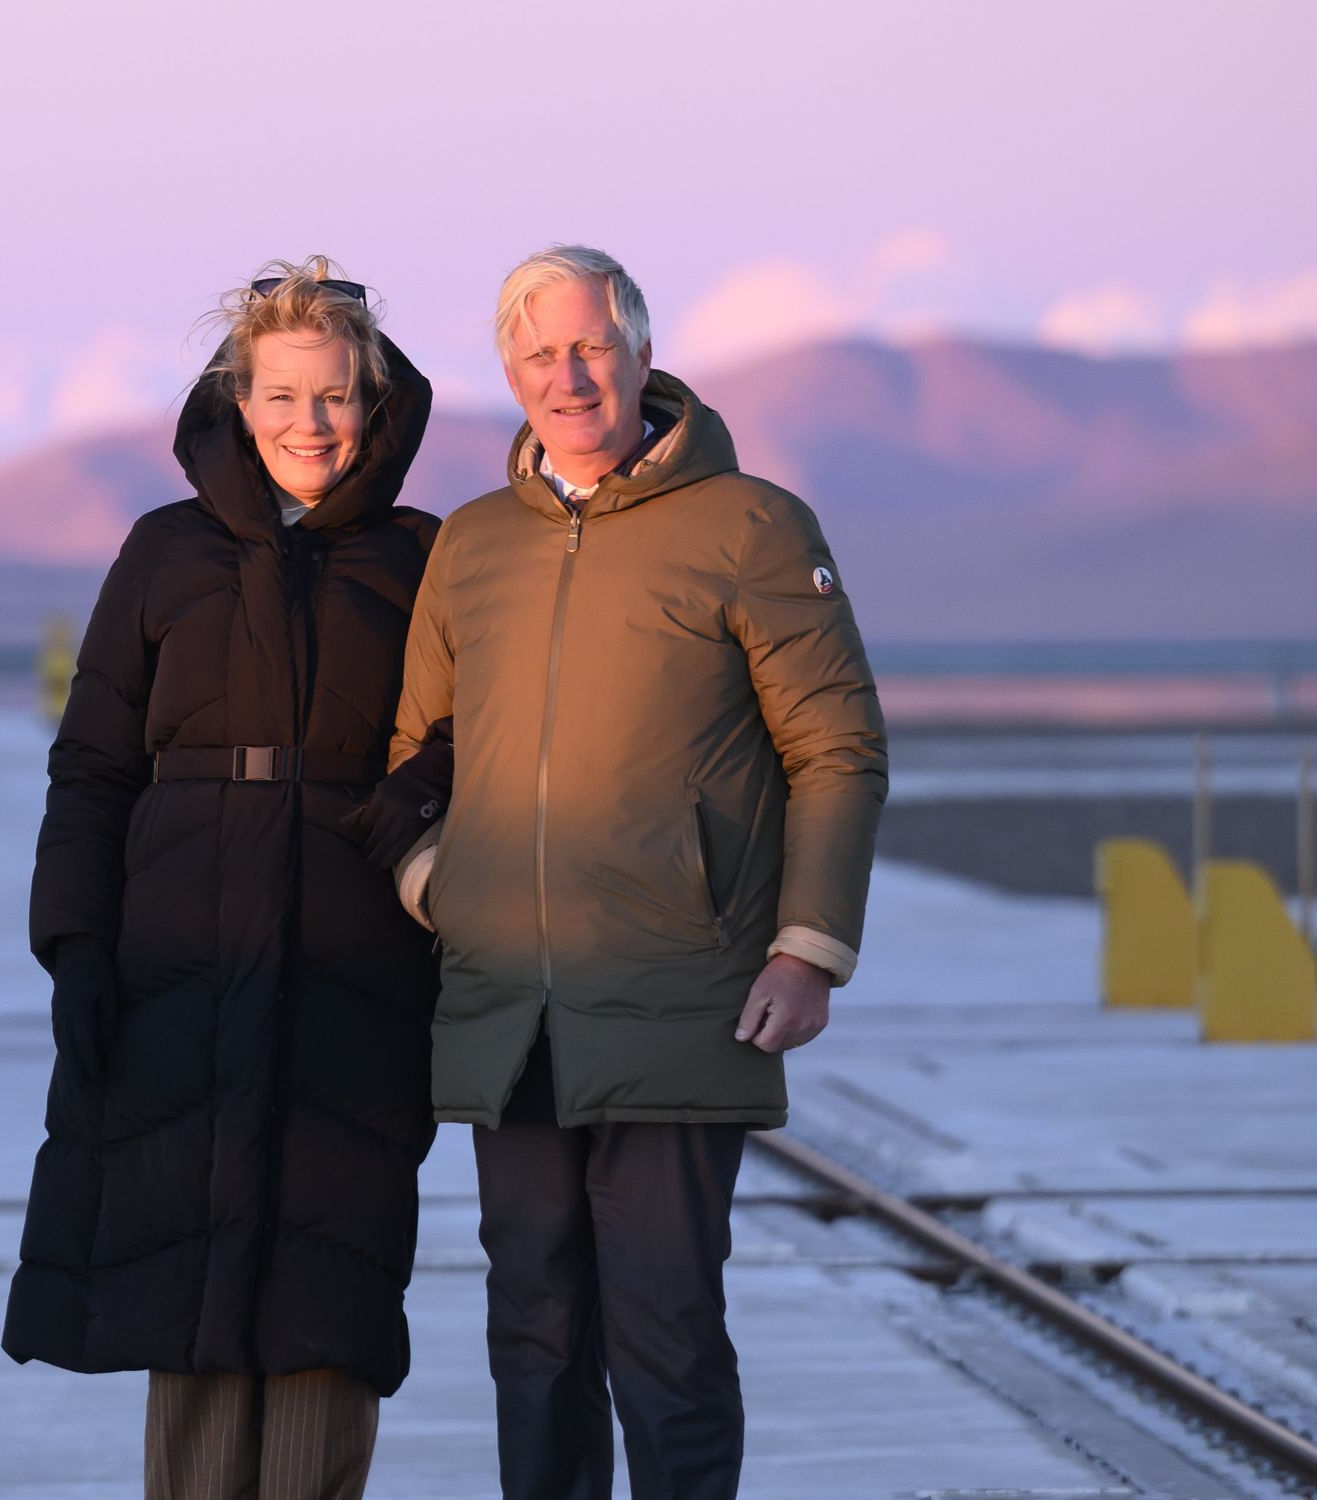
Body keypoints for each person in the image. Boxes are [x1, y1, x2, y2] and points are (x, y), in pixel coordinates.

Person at [387, 245, 888, 1499]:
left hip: (684, 993)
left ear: (642, 353)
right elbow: (414, 756)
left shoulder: (752, 526)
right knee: (533, 1329)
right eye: (539, 355)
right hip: (513, 1015)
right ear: (507, 373)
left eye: (590, 348)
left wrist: (807, 945)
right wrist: (440, 887)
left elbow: (836, 746)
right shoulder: (471, 545)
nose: (568, 377)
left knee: (663, 1333)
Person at [2, 258, 443, 1500]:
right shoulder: (162, 552)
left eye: (336, 396)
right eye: (284, 396)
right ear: (238, 404)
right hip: (177, 966)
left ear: (375, 403)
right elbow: (90, 768)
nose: (311, 423)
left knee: (328, 1285)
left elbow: (470, 744)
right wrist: (75, 948)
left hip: (358, 971)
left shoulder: (425, 559)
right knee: (183, 1279)